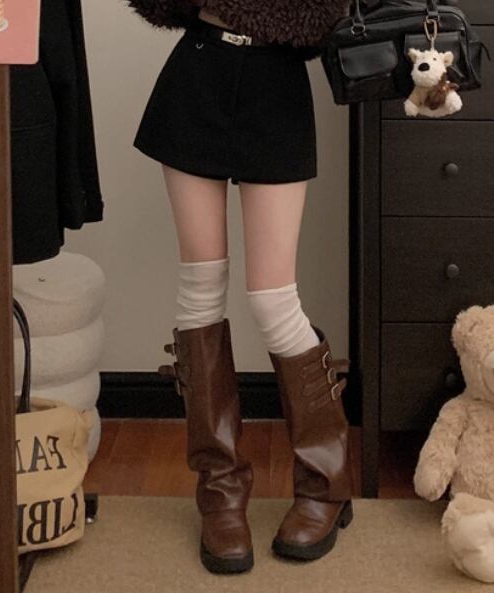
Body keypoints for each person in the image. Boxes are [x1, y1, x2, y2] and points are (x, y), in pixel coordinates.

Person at [126, 0, 352, 575]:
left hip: (277, 86)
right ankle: (219, 491)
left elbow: (323, 16)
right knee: (200, 287)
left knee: (273, 300)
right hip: (197, 75)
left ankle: (325, 484)